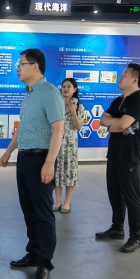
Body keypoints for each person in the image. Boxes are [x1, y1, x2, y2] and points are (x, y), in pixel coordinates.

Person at [0, 49, 64, 279]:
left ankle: (44, 262)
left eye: (22, 64)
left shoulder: (49, 93)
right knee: (28, 208)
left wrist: (49, 162)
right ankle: (34, 252)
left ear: (35, 66)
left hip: (41, 159)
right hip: (25, 158)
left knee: (43, 212)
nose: (18, 68)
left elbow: (58, 131)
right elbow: (23, 129)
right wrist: (9, 151)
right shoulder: (29, 94)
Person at [96, 63, 140, 253]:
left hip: (129, 157)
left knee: (131, 197)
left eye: (125, 74)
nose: (121, 77)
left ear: (135, 79)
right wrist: (118, 124)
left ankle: (136, 237)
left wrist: (117, 124)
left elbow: (121, 124)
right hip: (114, 154)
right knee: (114, 194)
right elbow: (103, 120)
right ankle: (117, 228)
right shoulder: (119, 100)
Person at [53, 78, 84, 213]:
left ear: (75, 89)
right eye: (63, 86)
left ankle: (67, 201)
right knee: (57, 172)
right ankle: (58, 200)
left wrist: (73, 111)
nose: (65, 89)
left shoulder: (79, 107)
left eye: (69, 86)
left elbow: (78, 127)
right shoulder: (56, 104)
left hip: (70, 145)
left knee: (70, 172)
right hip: (56, 143)